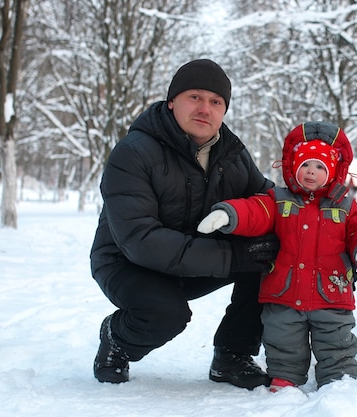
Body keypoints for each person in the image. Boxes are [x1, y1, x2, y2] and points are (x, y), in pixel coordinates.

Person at [90, 59, 280, 390]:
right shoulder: (133, 153)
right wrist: (232, 257)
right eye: (195, 97)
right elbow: (141, 239)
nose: (205, 109)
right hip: (127, 262)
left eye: (216, 102)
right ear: (172, 102)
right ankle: (116, 340)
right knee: (166, 314)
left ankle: (232, 355)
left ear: (224, 111)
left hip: (194, 259)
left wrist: (328, 223)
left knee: (268, 254)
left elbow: (274, 205)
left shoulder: (233, 155)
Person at [197, 121, 357, 391]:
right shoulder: (278, 200)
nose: (311, 171)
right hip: (284, 292)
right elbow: (255, 212)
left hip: (331, 292)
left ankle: (340, 382)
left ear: (333, 171)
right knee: (282, 338)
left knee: (335, 339)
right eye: (305, 164)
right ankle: (285, 378)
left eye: (320, 167)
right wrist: (229, 214)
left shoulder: (344, 205)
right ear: (293, 166)